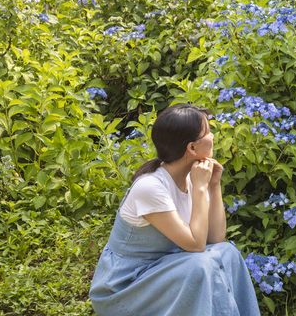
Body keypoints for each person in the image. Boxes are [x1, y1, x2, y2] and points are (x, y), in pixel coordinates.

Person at [89, 103, 261, 315]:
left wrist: (213, 186)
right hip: (124, 288)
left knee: (228, 253)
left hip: (164, 272)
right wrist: (199, 188)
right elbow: (196, 246)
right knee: (200, 266)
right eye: (208, 132)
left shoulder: (191, 177)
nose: (213, 136)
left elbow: (216, 239)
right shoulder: (150, 187)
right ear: (192, 148)